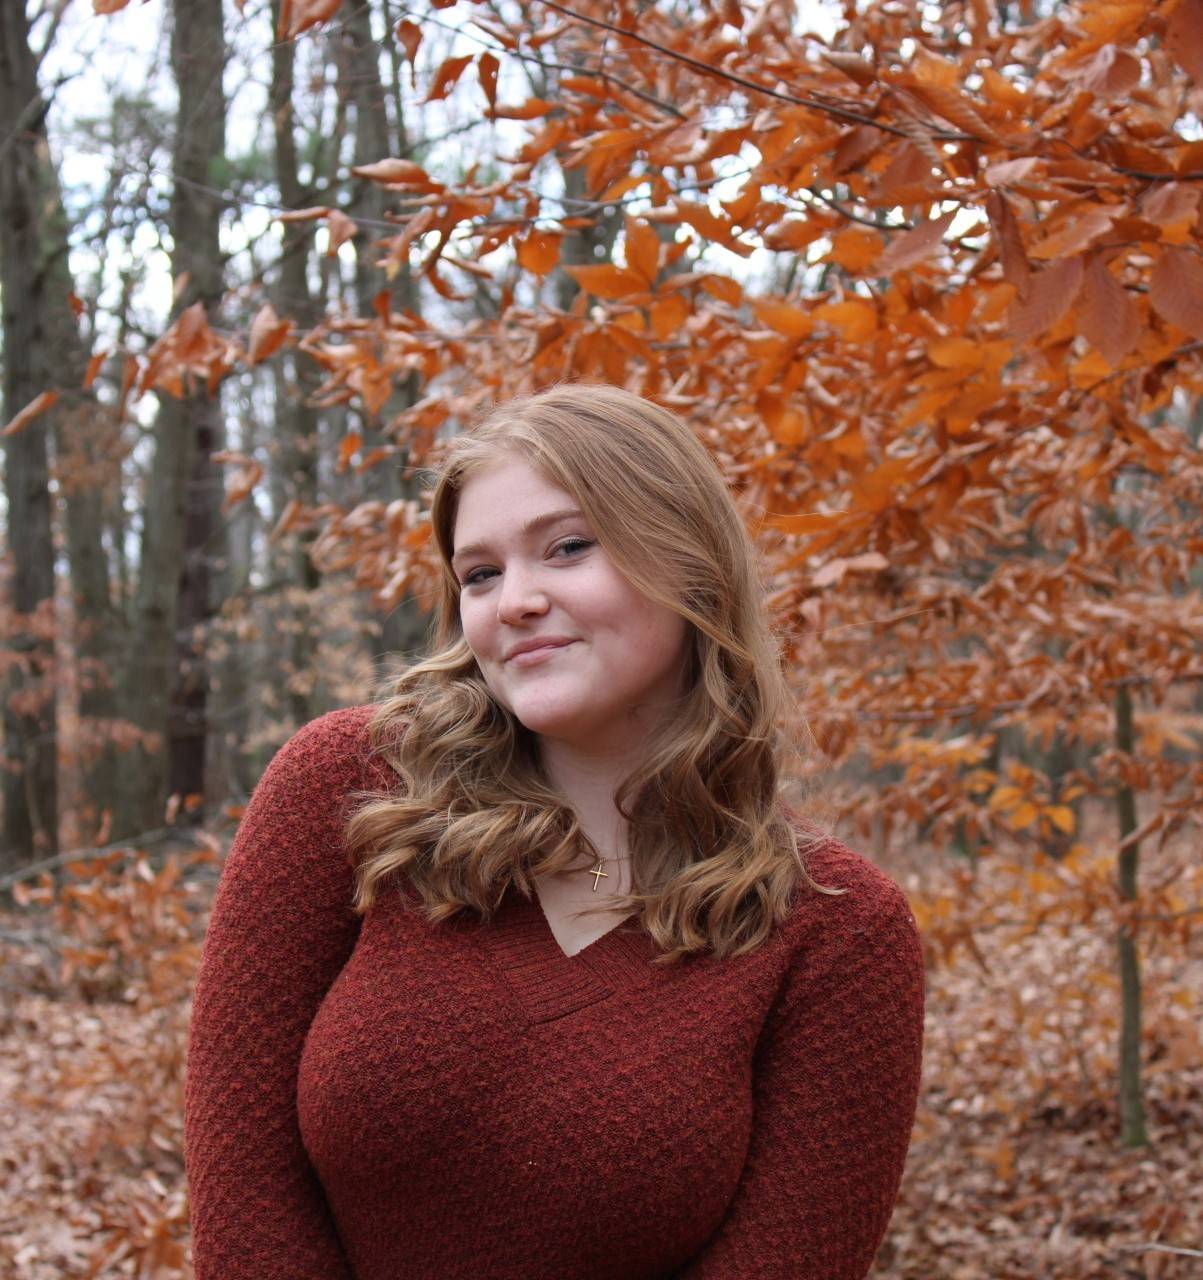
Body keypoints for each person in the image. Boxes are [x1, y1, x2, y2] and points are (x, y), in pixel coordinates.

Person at [183, 383, 925, 1280]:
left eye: (568, 548)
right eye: (480, 574)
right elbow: (240, 1181)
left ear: (692, 566)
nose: (514, 602)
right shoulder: (352, 788)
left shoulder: (836, 930)